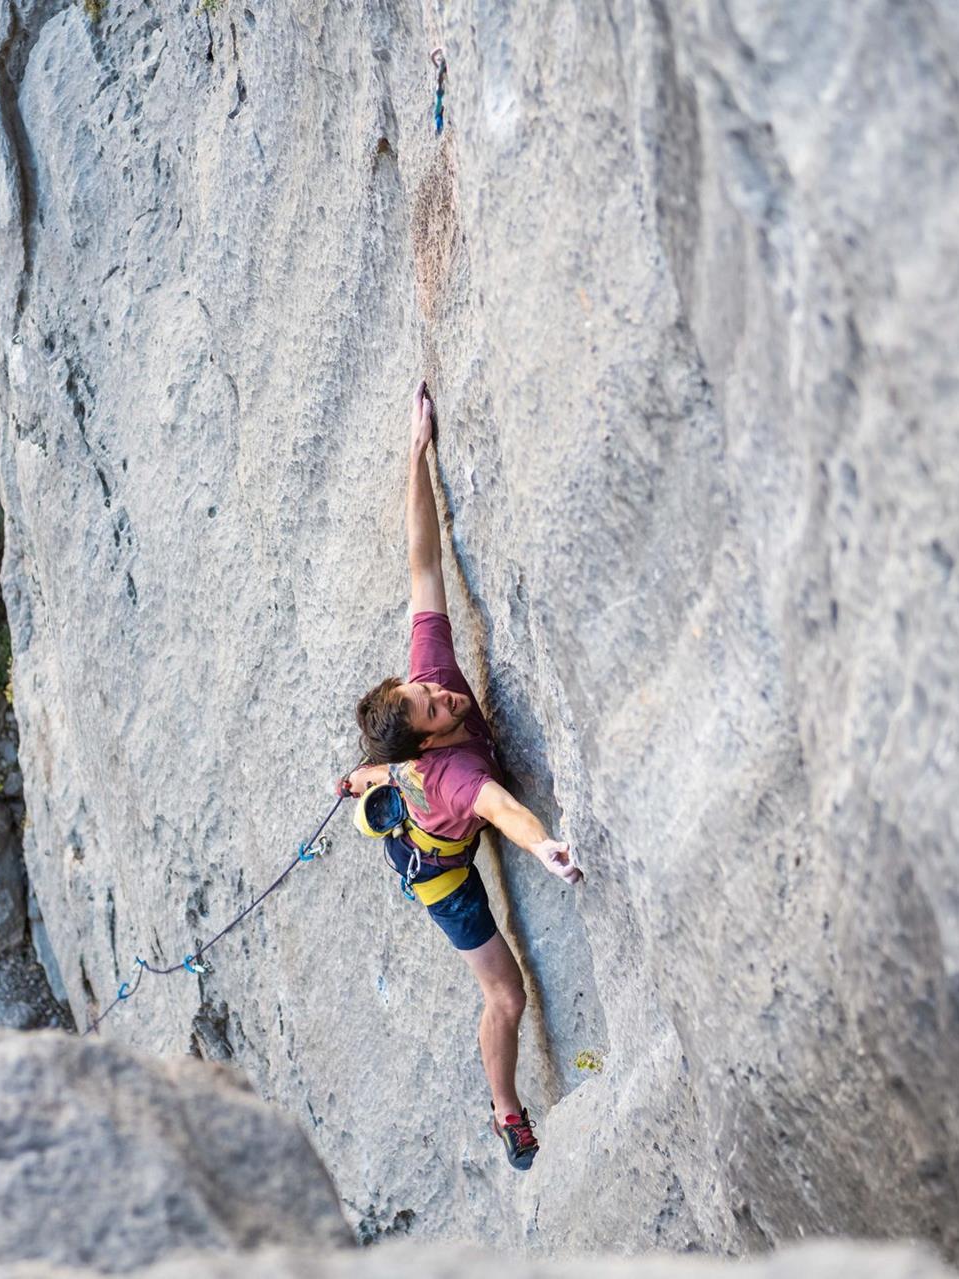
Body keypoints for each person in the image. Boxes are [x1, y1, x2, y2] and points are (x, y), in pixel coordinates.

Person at [341, 381, 583, 1172]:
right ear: (425, 740)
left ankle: (372, 783)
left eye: (427, 690)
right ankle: (507, 1110)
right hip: (441, 872)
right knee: (506, 995)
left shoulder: (430, 678)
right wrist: (543, 847)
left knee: (408, 778)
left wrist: (415, 453)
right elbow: (499, 808)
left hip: (421, 793)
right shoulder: (447, 773)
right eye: (432, 705)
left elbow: (422, 562)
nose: (442, 692)